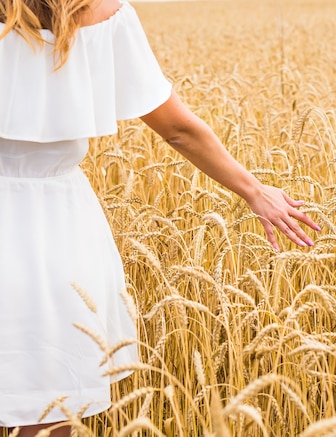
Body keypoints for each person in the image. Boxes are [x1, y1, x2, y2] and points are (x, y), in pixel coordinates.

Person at [0, 0, 319, 435]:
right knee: (55, 402)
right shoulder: (105, 16)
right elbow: (178, 129)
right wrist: (254, 190)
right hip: (60, 229)